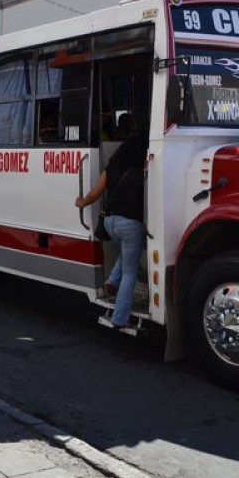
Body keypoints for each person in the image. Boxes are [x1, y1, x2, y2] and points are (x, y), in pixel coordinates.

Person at [75, 116, 147, 329]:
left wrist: (81, 202)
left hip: (109, 224)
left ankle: (112, 281)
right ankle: (119, 318)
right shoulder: (144, 171)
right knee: (131, 272)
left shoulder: (112, 166)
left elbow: (95, 193)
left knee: (129, 249)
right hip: (130, 226)